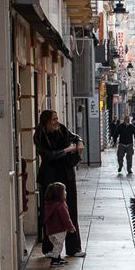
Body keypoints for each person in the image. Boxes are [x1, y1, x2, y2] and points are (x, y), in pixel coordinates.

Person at [35, 109, 85, 258]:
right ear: (45, 122)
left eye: (57, 118)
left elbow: (74, 136)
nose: (57, 121)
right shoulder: (39, 136)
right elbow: (48, 155)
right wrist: (66, 150)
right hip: (50, 178)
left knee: (71, 211)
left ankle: (73, 248)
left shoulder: (62, 129)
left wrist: (79, 141)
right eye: (53, 120)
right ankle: (49, 248)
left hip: (66, 174)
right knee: (49, 212)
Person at [43, 181, 77, 267]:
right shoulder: (61, 205)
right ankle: (54, 260)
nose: (65, 193)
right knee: (59, 245)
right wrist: (71, 228)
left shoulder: (48, 204)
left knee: (55, 245)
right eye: (64, 191)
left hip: (50, 231)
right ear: (60, 194)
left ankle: (58, 258)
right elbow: (66, 219)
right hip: (59, 230)